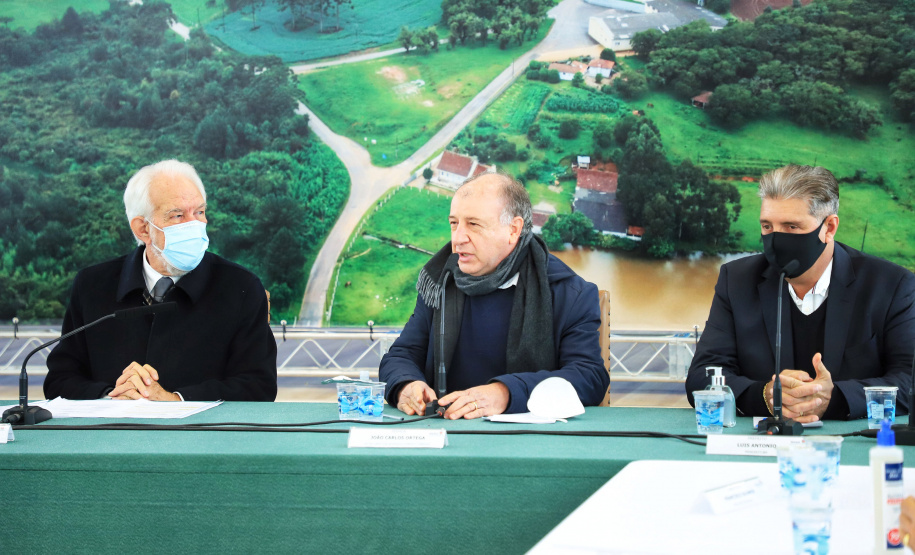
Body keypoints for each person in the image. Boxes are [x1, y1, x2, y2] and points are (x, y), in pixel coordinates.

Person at [686, 164, 915, 422]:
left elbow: (908, 379)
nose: (776, 239)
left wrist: (834, 398)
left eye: (791, 227)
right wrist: (765, 396)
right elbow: (702, 375)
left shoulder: (892, 285)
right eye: (767, 227)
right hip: (762, 444)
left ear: (829, 228)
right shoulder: (737, 280)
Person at [379, 172, 609, 419]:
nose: (457, 240)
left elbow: (590, 377)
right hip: (449, 434)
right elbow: (400, 356)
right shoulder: (440, 282)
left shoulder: (570, 293)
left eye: (473, 224)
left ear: (513, 230)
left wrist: (507, 393)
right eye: (454, 223)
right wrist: (406, 385)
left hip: (532, 442)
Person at [44, 160, 277, 401]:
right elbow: (59, 381)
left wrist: (174, 400)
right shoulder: (91, 285)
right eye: (177, 215)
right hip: (112, 435)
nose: (194, 225)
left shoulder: (241, 287)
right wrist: (112, 397)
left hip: (201, 437)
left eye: (199, 212)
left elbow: (259, 386)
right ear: (143, 229)